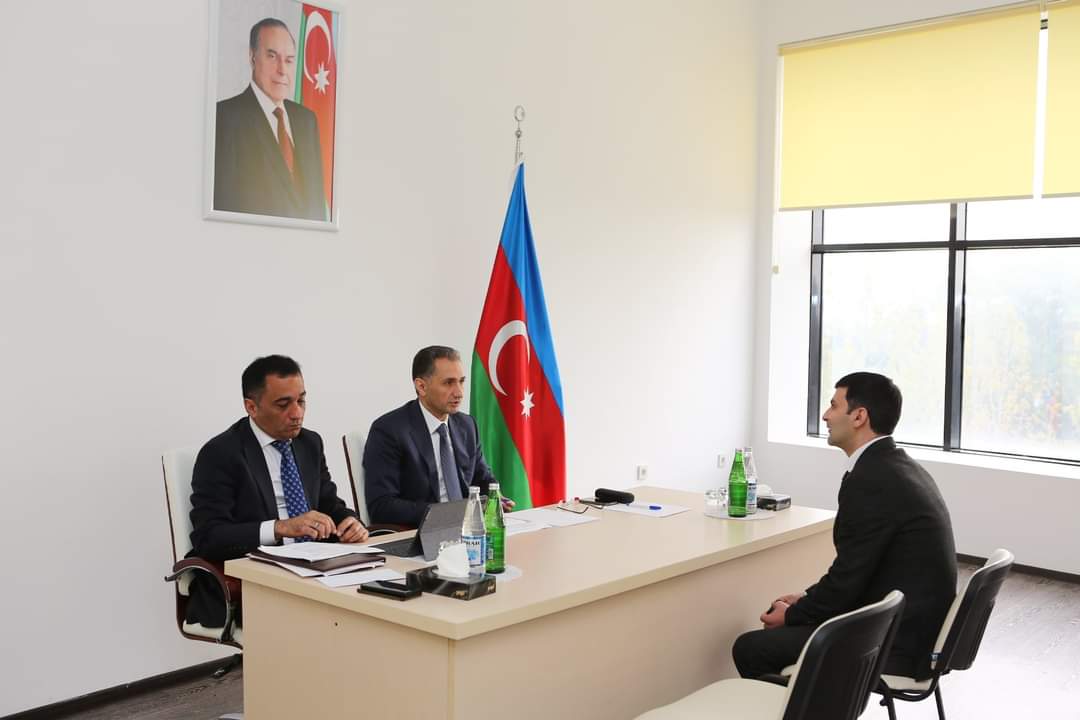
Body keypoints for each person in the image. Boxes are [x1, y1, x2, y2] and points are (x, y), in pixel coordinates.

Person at [732, 372, 956, 681]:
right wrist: (806, 599)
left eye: (834, 405)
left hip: (897, 642)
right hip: (914, 627)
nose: (825, 415)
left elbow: (849, 577)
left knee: (751, 648)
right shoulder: (897, 465)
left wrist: (794, 614)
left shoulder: (872, 480)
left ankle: (811, 703)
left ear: (859, 416)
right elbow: (857, 571)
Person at [186, 355, 367, 629]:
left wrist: (349, 521)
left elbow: (328, 501)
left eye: (301, 401)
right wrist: (280, 528)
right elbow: (209, 537)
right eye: (283, 404)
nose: (297, 413)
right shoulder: (221, 453)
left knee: (375, 606)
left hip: (315, 567)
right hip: (258, 578)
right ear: (251, 407)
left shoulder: (309, 442)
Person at [364, 346, 506, 527]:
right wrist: (446, 514)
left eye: (461, 382)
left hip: (468, 529)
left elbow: (482, 478)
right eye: (448, 383)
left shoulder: (467, 425)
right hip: (422, 531)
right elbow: (382, 506)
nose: (459, 392)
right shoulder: (389, 430)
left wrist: (495, 498)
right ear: (421, 386)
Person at [213, 18, 327, 220]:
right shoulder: (224, 118)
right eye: (272, 56)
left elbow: (316, 203)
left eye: (289, 60)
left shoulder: (307, 121)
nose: (282, 70)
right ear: (252, 57)